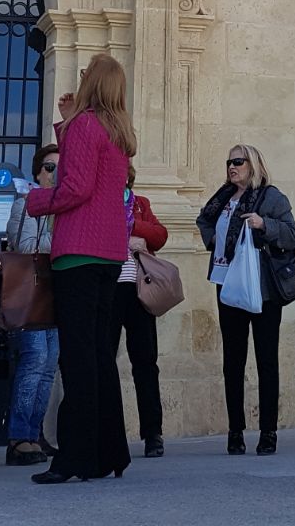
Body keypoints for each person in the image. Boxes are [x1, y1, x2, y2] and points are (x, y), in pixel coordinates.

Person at [23, 55, 136, 484]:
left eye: (88, 72)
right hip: (109, 254)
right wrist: (67, 123)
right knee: (99, 358)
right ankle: (110, 452)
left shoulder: (87, 126)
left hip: (79, 253)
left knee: (77, 359)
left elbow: (74, 187)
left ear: (97, 82)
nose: (82, 75)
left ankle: (75, 458)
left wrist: (36, 201)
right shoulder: (118, 132)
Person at [196, 144, 295, 458]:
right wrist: (215, 241)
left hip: (263, 287)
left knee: (266, 359)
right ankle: (235, 432)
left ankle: (268, 432)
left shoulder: (272, 197)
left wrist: (264, 225)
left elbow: (292, 235)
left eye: (238, 162)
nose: (231, 167)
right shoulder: (223, 197)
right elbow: (204, 220)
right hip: (227, 284)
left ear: (253, 164)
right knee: (233, 361)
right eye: (229, 161)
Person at [4, 141, 60, 466]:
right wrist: (63, 238)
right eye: (49, 167)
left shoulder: (66, 208)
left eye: (60, 168)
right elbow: (25, 245)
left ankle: (35, 434)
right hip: (31, 293)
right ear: (38, 172)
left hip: (56, 295)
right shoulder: (26, 204)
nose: (55, 173)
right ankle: (18, 437)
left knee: (49, 365)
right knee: (34, 360)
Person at [117, 165, 169, 457]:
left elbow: (160, 235)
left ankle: (153, 433)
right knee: (104, 359)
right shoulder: (99, 203)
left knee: (146, 363)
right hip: (110, 288)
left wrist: (135, 232)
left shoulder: (140, 203)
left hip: (139, 290)